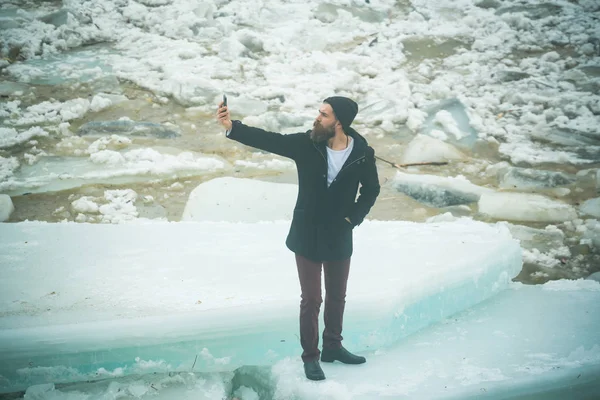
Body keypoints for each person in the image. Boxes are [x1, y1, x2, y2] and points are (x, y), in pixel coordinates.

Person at [216, 96, 380, 381]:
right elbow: (270, 140)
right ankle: (311, 357)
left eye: (324, 114)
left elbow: (371, 190)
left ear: (339, 122)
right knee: (312, 298)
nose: (317, 118)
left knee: (337, 297)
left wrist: (352, 219)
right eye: (319, 112)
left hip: (339, 233)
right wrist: (233, 126)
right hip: (307, 232)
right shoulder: (307, 144)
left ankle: (333, 347)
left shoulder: (363, 153)